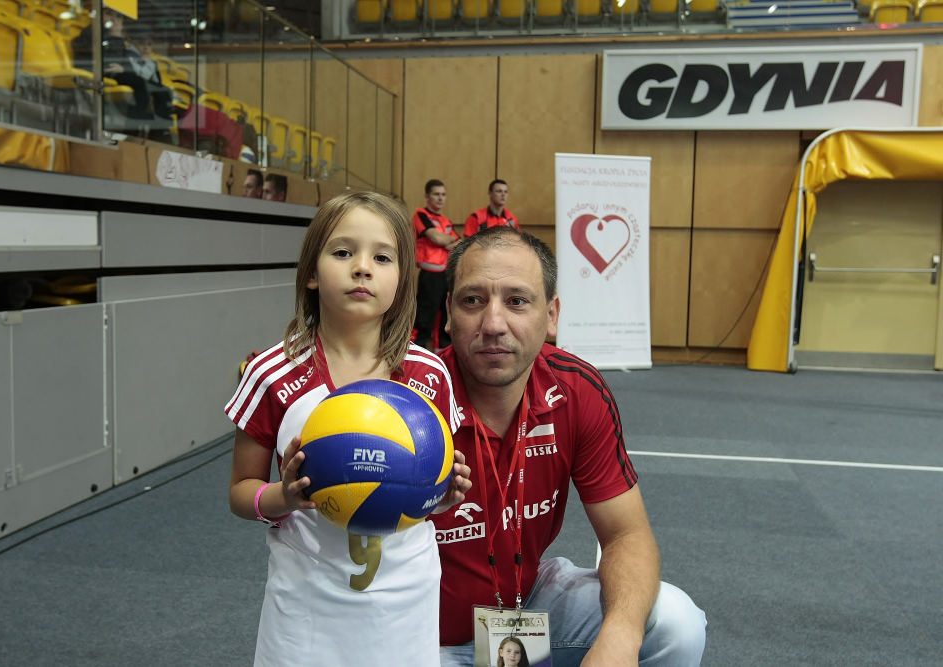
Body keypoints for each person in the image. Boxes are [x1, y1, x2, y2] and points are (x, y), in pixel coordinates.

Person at [435, 226, 706, 667]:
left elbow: (626, 535)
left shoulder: (575, 389)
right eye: (473, 300)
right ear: (449, 312)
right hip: (419, 632)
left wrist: (619, 638)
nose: (494, 324)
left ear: (552, 314)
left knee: (676, 624)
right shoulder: (409, 397)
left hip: (525, 606)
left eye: (517, 301)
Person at [225, 192, 473, 667]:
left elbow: (431, 497)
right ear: (311, 273)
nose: (362, 268)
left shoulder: (430, 374)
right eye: (343, 252)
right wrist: (283, 497)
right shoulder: (271, 373)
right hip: (306, 600)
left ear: (402, 279)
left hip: (404, 598)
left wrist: (443, 494)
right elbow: (240, 492)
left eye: (382, 257)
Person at [413, 179, 460, 351]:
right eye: (436, 194)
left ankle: (441, 353)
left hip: (446, 274)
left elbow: (459, 243)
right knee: (425, 317)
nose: (440, 198)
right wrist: (447, 240)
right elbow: (437, 238)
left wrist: (445, 241)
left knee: (445, 316)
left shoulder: (445, 220)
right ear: (427, 196)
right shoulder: (421, 215)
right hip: (430, 275)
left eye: (443, 194)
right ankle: (415, 351)